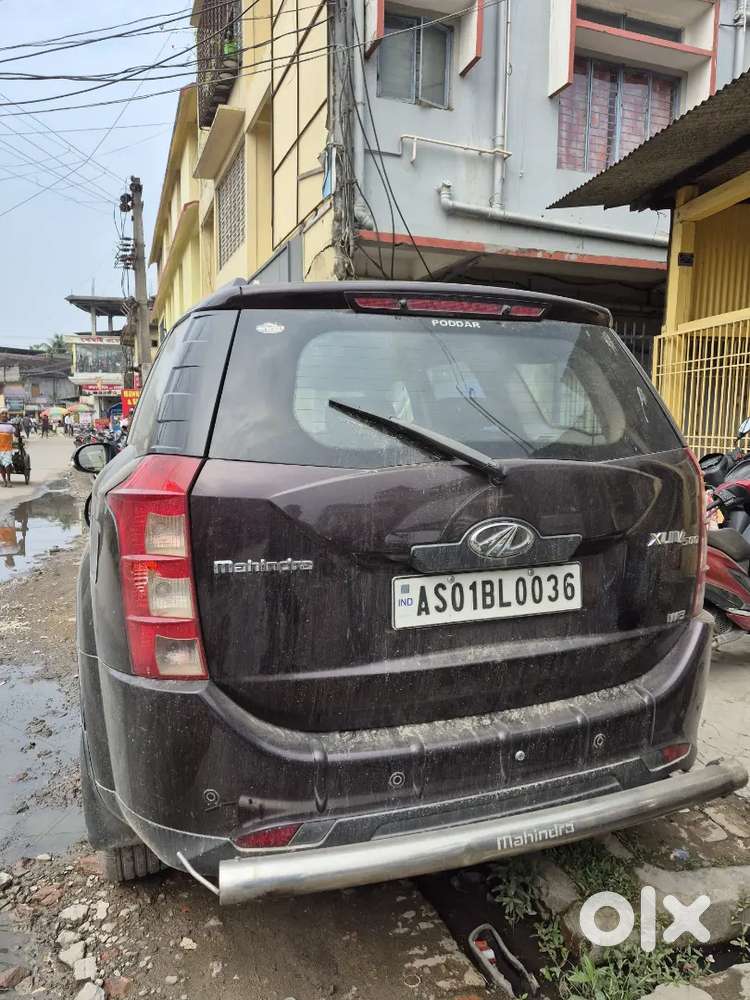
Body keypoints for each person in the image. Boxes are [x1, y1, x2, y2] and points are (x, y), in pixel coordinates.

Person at [0, 410, 15, 487]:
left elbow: (16, 433)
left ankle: (9, 480)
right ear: (0, 416)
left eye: (5, 414)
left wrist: (17, 427)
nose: (4, 415)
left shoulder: (10, 425)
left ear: (7, 416)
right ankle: (4, 481)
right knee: (1, 465)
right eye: (2, 414)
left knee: (7, 464)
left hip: (7, 448)